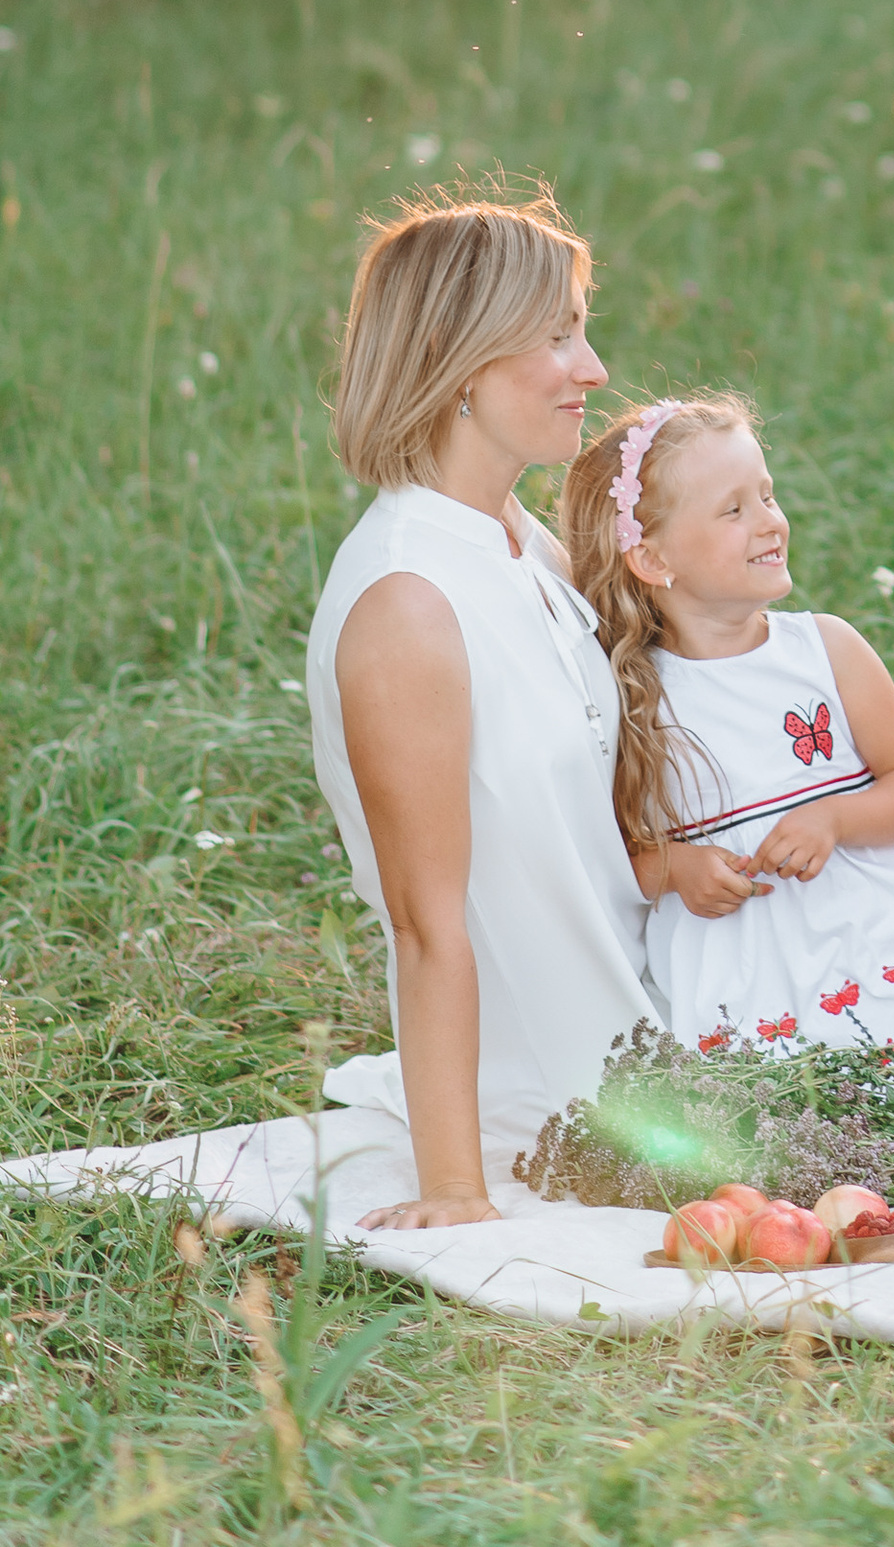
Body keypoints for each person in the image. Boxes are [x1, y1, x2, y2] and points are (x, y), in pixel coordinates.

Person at [560, 394, 894, 1146]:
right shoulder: (633, 699)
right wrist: (675, 866)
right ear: (652, 558)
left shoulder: (824, 648)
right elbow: (602, 859)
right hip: (781, 975)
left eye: (767, 495)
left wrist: (834, 816)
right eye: (733, 509)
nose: (770, 521)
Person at [306, 190, 658, 1232]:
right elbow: (425, 923)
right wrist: (457, 1188)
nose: (594, 368)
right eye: (558, 336)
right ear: (458, 359)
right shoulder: (407, 602)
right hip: (559, 1080)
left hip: (650, 999)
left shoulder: (512, 535)